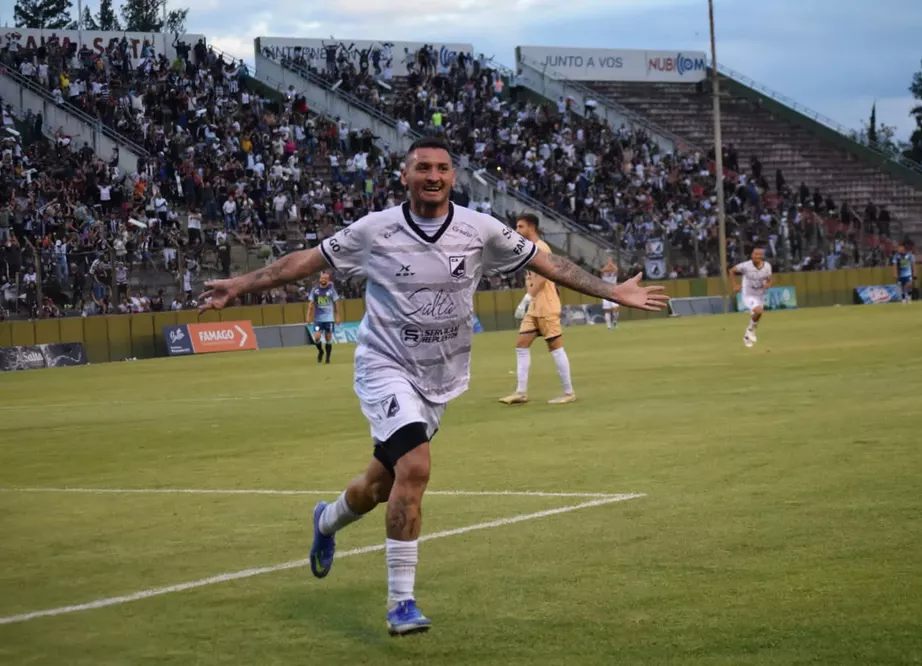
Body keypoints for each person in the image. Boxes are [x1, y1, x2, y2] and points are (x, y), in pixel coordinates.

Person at [199, 136, 668, 637]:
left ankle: (326, 521)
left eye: (442, 168)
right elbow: (304, 262)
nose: (433, 176)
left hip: (440, 377)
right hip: (384, 367)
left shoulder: (480, 229)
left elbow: (548, 264)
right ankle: (401, 602)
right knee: (417, 467)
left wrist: (610, 290)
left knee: (378, 487)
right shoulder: (374, 230)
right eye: (422, 167)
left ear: (453, 177)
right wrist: (240, 285)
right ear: (405, 176)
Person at [498, 213, 576, 406]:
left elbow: (543, 277)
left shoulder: (541, 248)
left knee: (555, 347)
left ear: (531, 228)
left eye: (520, 227)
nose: (517, 230)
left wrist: (527, 298)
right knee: (521, 344)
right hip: (534, 307)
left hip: (546, 305)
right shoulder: (528, 249)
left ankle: (569, 392)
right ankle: (521, 392)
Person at [729, 246, 772, 348]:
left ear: (762, 256)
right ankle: (750, 331)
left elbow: (769, 279)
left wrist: (768, 284)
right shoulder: (746, 266)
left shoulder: (767, 266)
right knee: (758, 311)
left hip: (760, 295)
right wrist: (735, 285)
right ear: (752, 255)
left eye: (759, 254)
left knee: (757, 315)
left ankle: (747, 335)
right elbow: (731, 271)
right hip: (748, 294)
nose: (757, 256)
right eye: (755, 254)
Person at [307, 271, 341, 364]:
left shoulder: (331, 290)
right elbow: (311, 304)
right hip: (318, 319)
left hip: (329, 319)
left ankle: (327, 358)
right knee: (317, 337)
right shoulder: (315, 290)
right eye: (322, 278)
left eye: (325, 279)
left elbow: (336, 303)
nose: (323, 280)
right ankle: (321, 351)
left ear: (328, 280)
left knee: (328, 338)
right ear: (319, 279)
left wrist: (337, 316)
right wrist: (308, 316)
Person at [600, 257, 620, 330]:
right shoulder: (604, 274)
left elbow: (616, 269)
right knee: (607, 310)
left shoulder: (614, 273)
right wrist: (609, 264)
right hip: (606, 293)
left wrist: (610, 263)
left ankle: (614, 321)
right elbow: (601, 271)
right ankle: (608, 326)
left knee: (616, 309)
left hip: (614, 292)